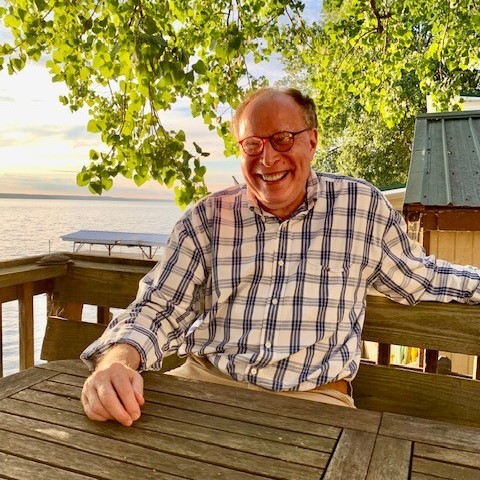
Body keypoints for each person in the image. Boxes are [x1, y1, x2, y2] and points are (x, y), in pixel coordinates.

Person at [81, 87, 480, 426]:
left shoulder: (361, 209)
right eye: (252, 145)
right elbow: (158, 307)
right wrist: (115, 362)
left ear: (313, 140)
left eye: (283, 140)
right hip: (206, 384)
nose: (267, 159)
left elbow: (421, 276)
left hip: (315, 402)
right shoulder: (206, 218)